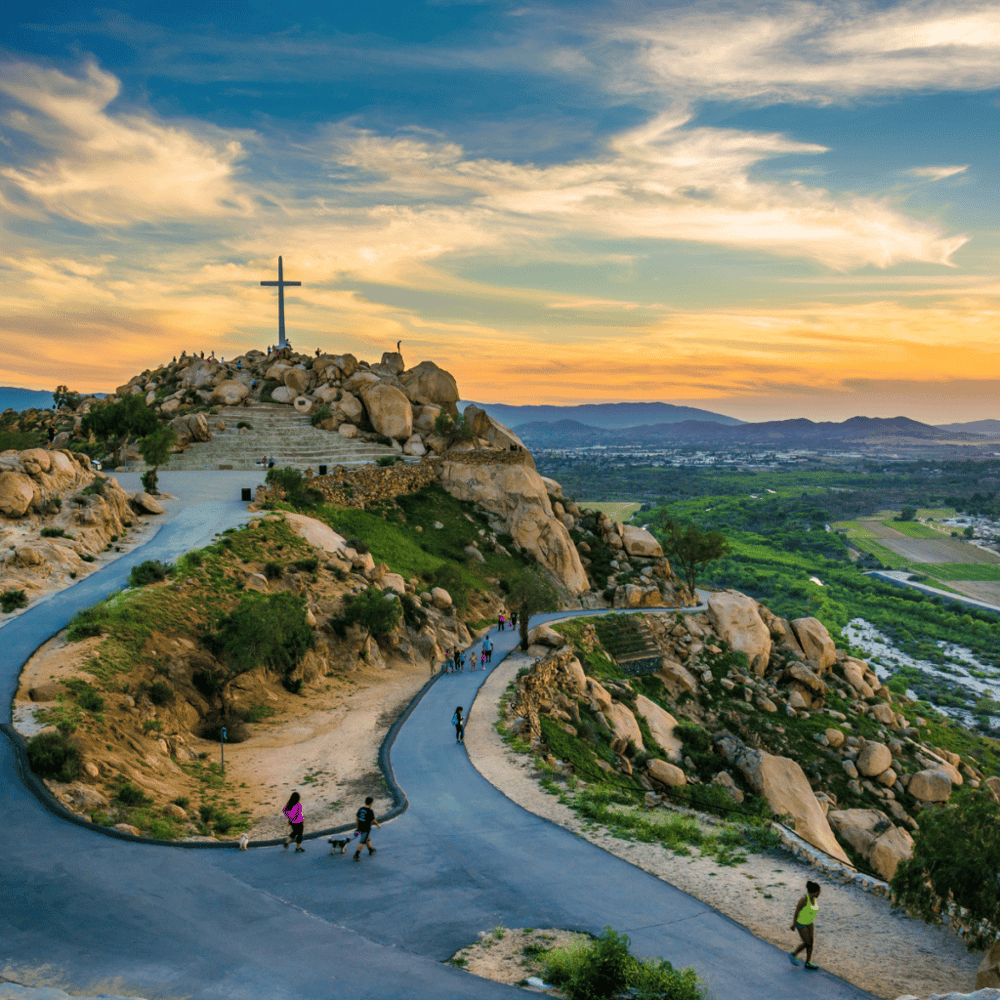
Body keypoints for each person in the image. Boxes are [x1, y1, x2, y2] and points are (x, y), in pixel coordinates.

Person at [790, 881, 822, 970]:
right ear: (815, 892)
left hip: (810, 923)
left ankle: (808, 962)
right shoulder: (804, 900)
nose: (820, 893)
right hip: (801, 923)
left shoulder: (814, 899)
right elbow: (797, 911)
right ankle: (793, 954)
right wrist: (793, 924)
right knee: (807, 943)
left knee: (811, 942)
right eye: (819, 891)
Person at [353, 796, 380, 862]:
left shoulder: (361, 809)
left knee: (366, 839)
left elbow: (357, 819)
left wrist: (357, 828)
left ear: (365, 802)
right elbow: (373, 820)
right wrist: (378, 825)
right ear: (371, 803)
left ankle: (371, 850)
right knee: (362, 842)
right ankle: (356, 855)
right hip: (366, 829)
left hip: (360, 828)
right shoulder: (370, 811)